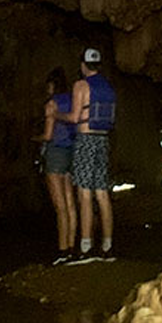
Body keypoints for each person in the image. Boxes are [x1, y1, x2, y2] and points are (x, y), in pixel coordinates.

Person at [65, 47, 116, 260]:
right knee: (102, 194)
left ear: (83, 65)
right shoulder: (108, 87)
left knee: (84, 193)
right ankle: (107, 246)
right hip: (103, 140)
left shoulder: (81, 85)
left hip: (85, 140)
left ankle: (86, 247)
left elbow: (75, 116)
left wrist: (57, 115)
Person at [39, 67, 77, 263]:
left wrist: (35, 139)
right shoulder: (72, 100)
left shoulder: (52, 104)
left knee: (60, 206)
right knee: (70, 203)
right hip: (71, 153)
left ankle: (62, 251)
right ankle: (72, 247)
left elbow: (47, 134)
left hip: (55, 154)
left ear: (52, 85)